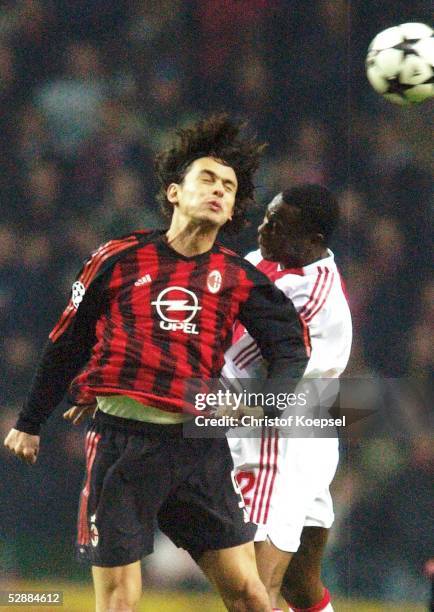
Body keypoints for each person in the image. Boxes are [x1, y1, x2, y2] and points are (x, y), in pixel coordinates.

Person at [4, 115, 309, 612]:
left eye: (229, 187)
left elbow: (290, 346)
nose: (218, 191)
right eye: (207, 179)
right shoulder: (118, 258)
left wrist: (265, 406)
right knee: (121, 601)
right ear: (173, 192)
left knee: (252, 595)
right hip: (122, 444)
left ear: (233, 208)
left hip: (198, 447)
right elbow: (67, 342)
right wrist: (30, 421)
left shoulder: (238, 276)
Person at [223, 185, 352, 612]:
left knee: (254, 588)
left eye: (278, 225)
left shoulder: (314, 295)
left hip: (283, 437)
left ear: (314, 241)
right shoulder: (262, 260)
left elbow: (238, 355)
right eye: (266, 217)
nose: (263, 229)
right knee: (301, 584)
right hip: (299, 430)